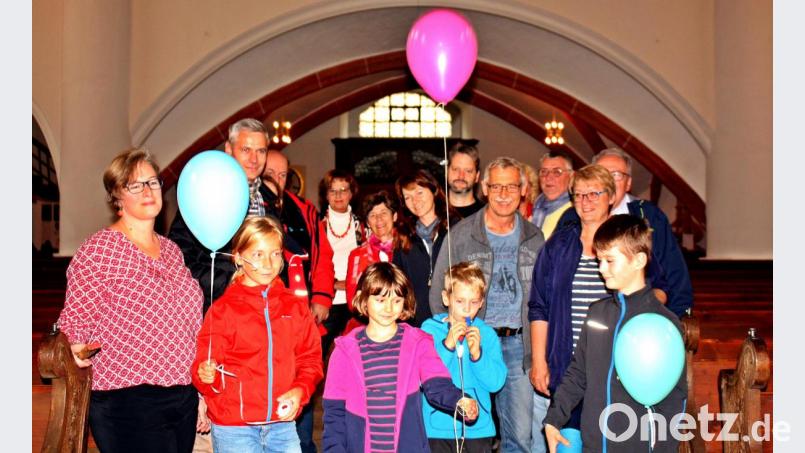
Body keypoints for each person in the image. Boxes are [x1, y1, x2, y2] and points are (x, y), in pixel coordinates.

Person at [57, 148, 204, 453]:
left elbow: (192, 327)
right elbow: (75, 318)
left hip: (182, 396)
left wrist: (201, 395)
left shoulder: (172, 251)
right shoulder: (100, 249)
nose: (147, 191)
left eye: (152, 182)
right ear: (116, 196)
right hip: (129, 399)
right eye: (134, 185)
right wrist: (73, 344)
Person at [542, 214, 687, 453]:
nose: (601, 269)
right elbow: (577, 374)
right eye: (599, 260)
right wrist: (553, 418)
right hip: (594, 444)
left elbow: (674, 400)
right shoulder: (597, 314)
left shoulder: (663, 325)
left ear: (639, 260)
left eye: (610, 260)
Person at [430, 156, 545, 453]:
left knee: (519, 435)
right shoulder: (462, 234)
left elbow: (543, 299)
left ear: (522, 190)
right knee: (470, 430)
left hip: (518, 344)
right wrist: (452, 337)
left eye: (511, 187)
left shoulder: (535, 237)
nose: (504, 194)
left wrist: (539, 355)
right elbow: (439, 294)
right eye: (497, 187)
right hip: (472, 340)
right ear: (484, 188)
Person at [192, 216, 324, 453]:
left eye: (275, 253)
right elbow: (203, 366)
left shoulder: (294, 307)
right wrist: (205, 375)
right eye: (258, 254)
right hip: (235, 428)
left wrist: (301, 389)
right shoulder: (223, 310)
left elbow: (310, 359)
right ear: (239, 258)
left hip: (282, 426)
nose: (268, 263)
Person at [322, 262, 479, 452]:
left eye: (396, 300)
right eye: (380, 300)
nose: (389, 308)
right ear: (362, 299)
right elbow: (334, 415)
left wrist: (461, 401)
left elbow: (438, 385)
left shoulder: (418, 343)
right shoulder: (344, 351)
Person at [527, 164, 620, 452]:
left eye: (594, 193)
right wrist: (540, 361)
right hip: (568, 368)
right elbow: (539, 306)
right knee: (568, 444)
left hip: (614, 367)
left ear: (611, 197)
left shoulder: (625, 243)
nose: (586, 201)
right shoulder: (559, 245)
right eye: (579, 194)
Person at [169, 118, 280, 312]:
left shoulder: (271, 199)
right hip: (217, 308)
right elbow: (180, 258)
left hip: (263, 307)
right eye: (246, 150)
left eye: (261, 151)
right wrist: (229, 282)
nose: (254, 159)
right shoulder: (202, 193)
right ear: (229, 149)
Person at [264, 149, 334, 453]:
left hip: (304, 320)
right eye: (270, 175)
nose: (278, 181)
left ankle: (303, 447)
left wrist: (322, 298)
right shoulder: (246, 206)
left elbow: (323, 257)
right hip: (266, 319)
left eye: (283, 175)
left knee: (303, 386)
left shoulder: (304, 209)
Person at [591, 147, 692, 317]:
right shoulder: (575, 217)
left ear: (628, 183)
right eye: (601, 174)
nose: (607, 181)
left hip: (641, 316)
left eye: (616, 175)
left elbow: (674, 273)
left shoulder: (650, 216)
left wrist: (676, 320)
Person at [422, 262, 507, 453]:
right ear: (446, 298)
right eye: (459, 301)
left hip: (478, 430)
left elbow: (496, 383)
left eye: (474, 302)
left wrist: (478, 355)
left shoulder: (487, 335)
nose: (467, 309)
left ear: (482, 302)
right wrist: (447, 345)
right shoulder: (429, 330)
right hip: (438, 429)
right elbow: (425, 377)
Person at [394, 170, 456, 327]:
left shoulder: (456, 228)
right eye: (407, 197)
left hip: (453, 320)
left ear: (433, 190)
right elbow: (399, 283)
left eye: (419, 193)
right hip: (417, 324)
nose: (415, 201)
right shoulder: (403, 237)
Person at [318, 169, 365, 356]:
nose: (338, 195)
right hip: (326, 303)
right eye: (333, 190)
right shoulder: (316, 225)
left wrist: (353, 284)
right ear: (326, 195)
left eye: (344, 189)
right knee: (321, 357)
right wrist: (334, 284)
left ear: (351, 193)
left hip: (356, 303)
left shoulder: (363, 226)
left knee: (356, 357)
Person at [345, 191, 399, 312]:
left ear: (394, 216)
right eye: (372, 215)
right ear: (368, 223)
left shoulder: (408, 249)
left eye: (384, 213)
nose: (379, 219)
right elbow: (352, 298)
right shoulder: (358, 255)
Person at [531, 151, 574, 239]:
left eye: (557, 172)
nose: (548, 177)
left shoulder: (576, 209)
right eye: (544, 171)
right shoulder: (537, 205)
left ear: (571, 176)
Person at [446, 141, 485, 218]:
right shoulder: (433, 211)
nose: (461, 176)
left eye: (468, 171)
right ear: (446, 171)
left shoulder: (485, 215)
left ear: (477, 176)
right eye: (456, 169)